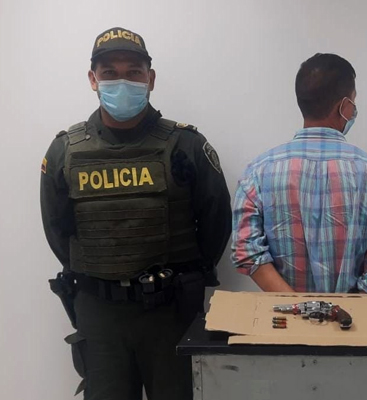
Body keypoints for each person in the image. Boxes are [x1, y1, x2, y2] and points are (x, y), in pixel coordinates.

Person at [40, 27, 232, 400]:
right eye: (110, 73)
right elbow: (57, 230)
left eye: (133, 72)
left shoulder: (187, 146)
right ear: (93, 79)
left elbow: (216, 223)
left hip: (171, 311)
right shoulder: (65, 151)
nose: (122, 81)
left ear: (150, 78)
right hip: (99, 313)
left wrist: (181, 276)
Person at [231, 53, 367, 293]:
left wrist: (296, 306)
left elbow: (246, 248)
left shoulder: (258, 171)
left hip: (284, 313)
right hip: (353, 314)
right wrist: (357, 303)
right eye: (353, 102)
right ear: (344, 106)